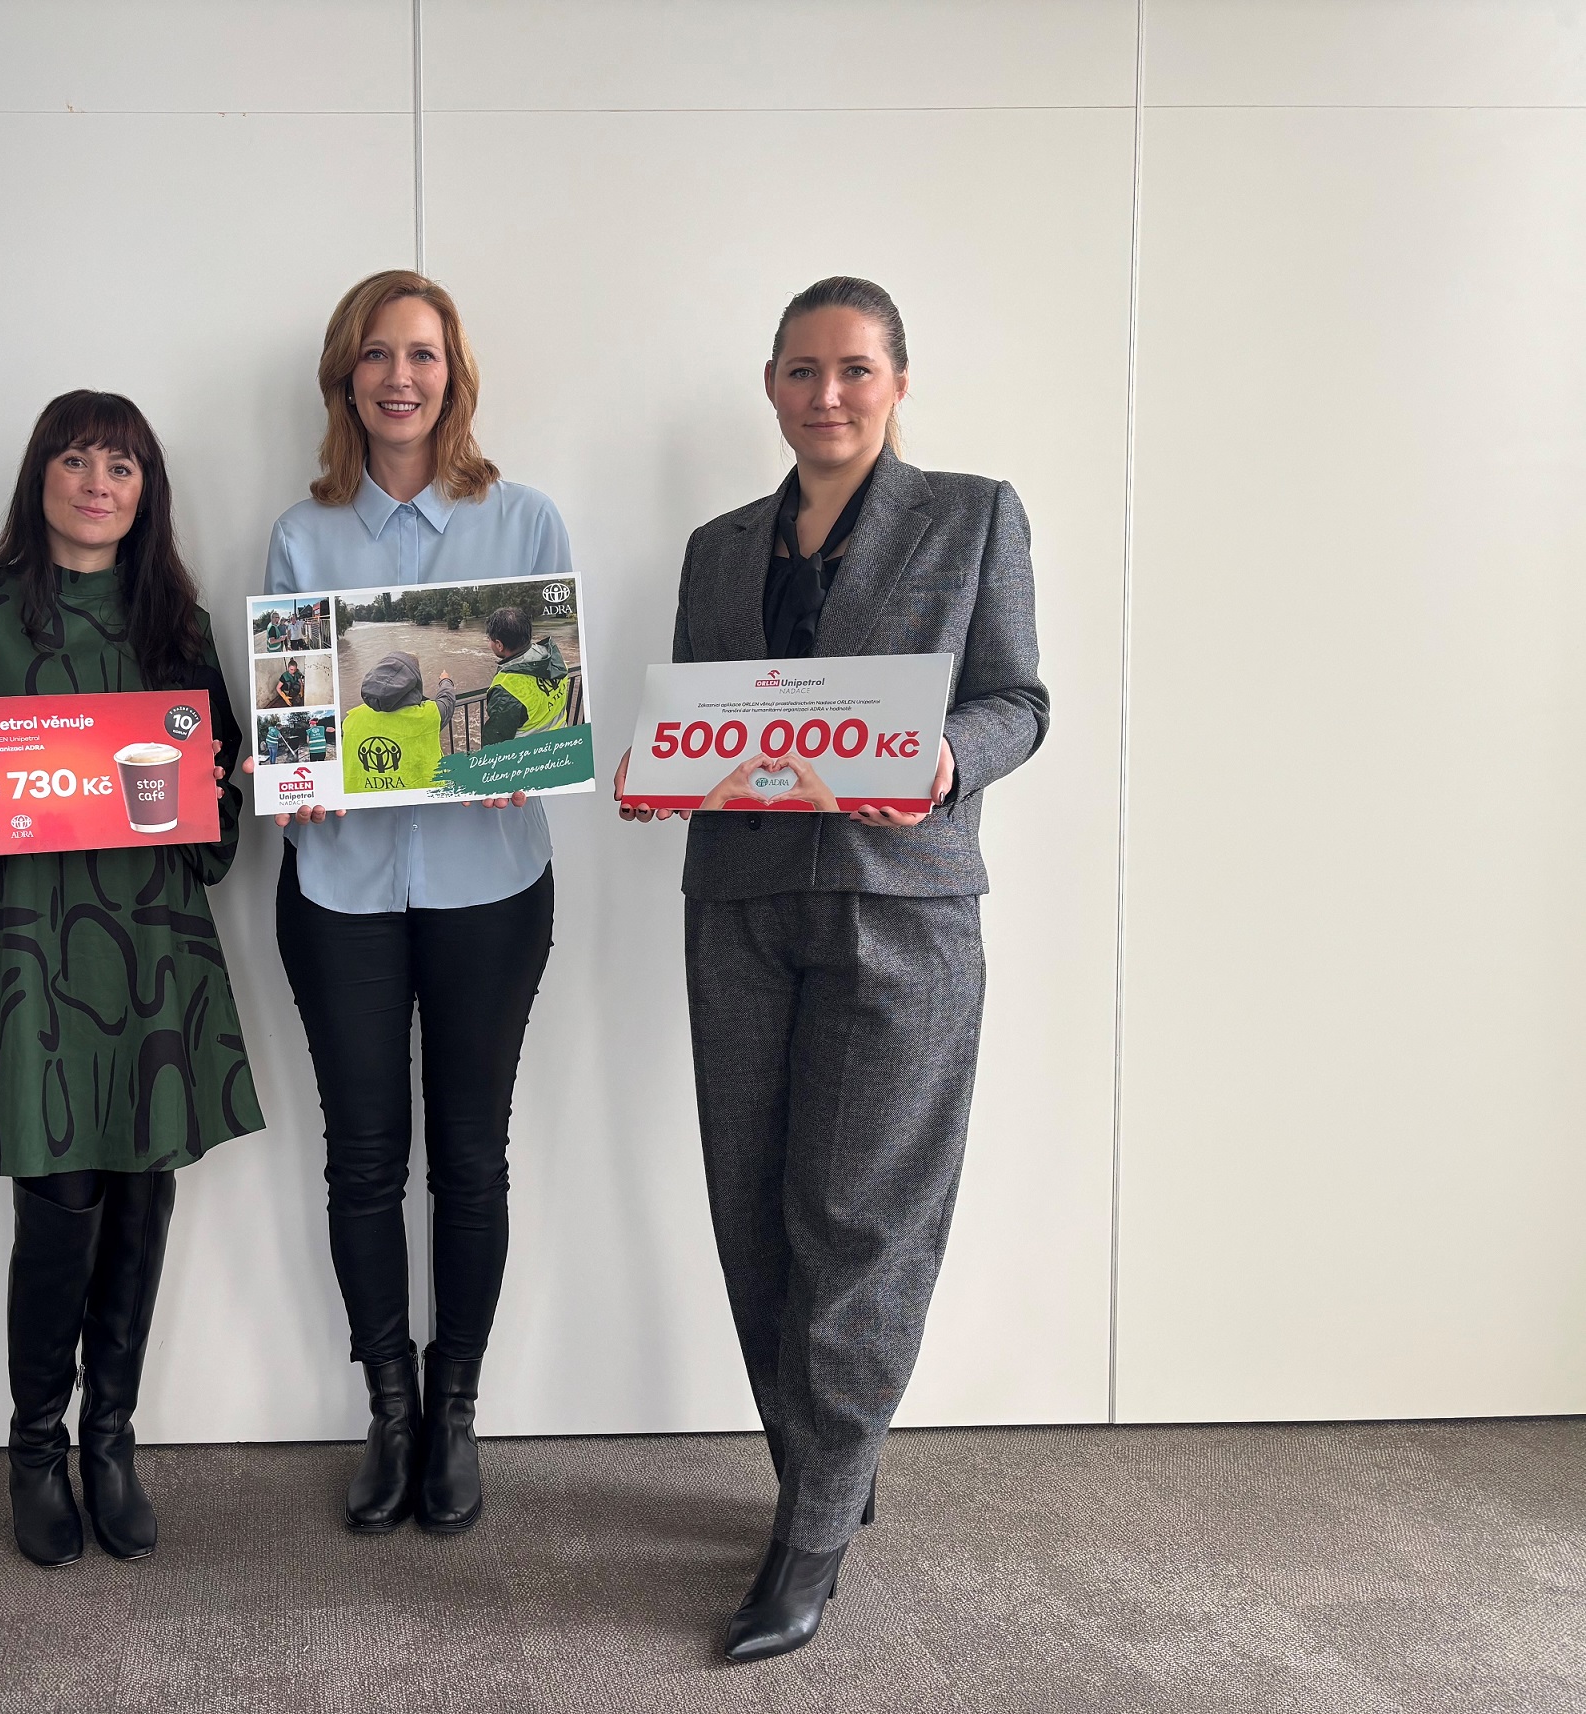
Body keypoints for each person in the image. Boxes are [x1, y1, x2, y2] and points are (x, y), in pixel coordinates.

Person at [615, 277, 1048, 1662]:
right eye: (802, 370)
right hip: (740, 905)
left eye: (854, 368)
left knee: (858, 1220)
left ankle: (808, 1533)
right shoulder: (715, 548)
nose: (827, 394)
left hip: (897, 908)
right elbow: (709, 716)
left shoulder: (971, 516)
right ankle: (823, 1467)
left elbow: (1018, 699)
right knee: (751, 1208)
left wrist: (946, 757)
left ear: (897, 382)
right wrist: (658, 770)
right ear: (770, 386)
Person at [0, 389, 263, 1570]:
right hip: (27, 949)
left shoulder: (176, 621)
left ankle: (111, 1440)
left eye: (123, 467)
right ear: (39, 474)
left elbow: (218, 791)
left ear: (147, 493)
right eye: (78, 459)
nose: (99, 483)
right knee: (55, 1200)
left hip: (151, 941)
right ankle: (34, 1448)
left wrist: (236, 786)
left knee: (141, 1190)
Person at [249, 269, 570, 1535]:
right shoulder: (301, 534)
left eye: (422, 354)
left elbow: (546, 691)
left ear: (453, 374)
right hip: (342, 892)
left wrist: (532, 743)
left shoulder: (524, 519)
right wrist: (296, 778)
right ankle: (389, 1407)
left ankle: (456, 1407)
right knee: (364, 1160)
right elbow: (291, 718)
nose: (400, 377)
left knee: (472, 1160)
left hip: (491, 882)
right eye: (376, 354)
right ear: (346, 377)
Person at [341, 652, 448, 792]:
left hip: (366, 797)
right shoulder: (429, 715)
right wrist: (445, 681)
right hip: (422, 796)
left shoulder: (352, 718)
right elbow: (447, 699)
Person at [476, 606, 570, 746]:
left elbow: (494, 746)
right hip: (563, 743)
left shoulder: (506, 689)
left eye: (490, 640)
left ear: (499, 645)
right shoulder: (554, 659)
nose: (489, 643)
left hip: (532, 755)